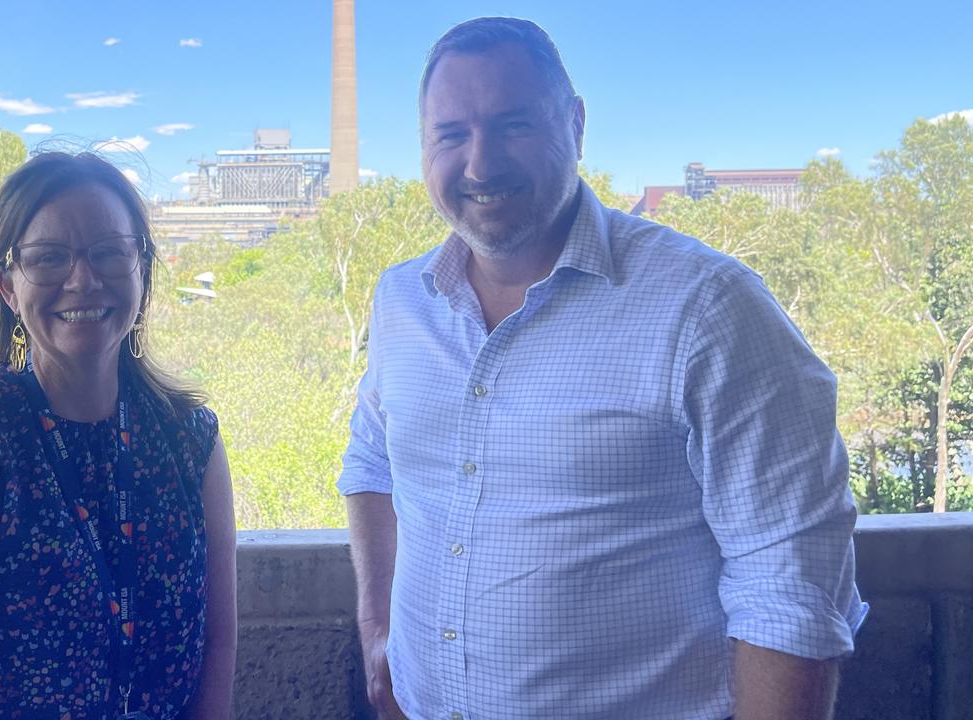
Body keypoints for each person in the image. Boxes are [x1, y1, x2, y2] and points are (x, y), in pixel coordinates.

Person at [338, 17, 867, 720]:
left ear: (577, 125)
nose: (480, 164)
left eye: (514, 125)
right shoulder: (403, 299)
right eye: (452, 135)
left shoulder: (706, 307)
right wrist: (380, 634)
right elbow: (373, 461)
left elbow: (791, 584)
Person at [0, 151, 236, 720]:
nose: (83, 280)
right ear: (8, 285)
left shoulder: (190, 442)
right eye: (49, 259)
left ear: (141, 266)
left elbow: (216, 658)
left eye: (109, 252)